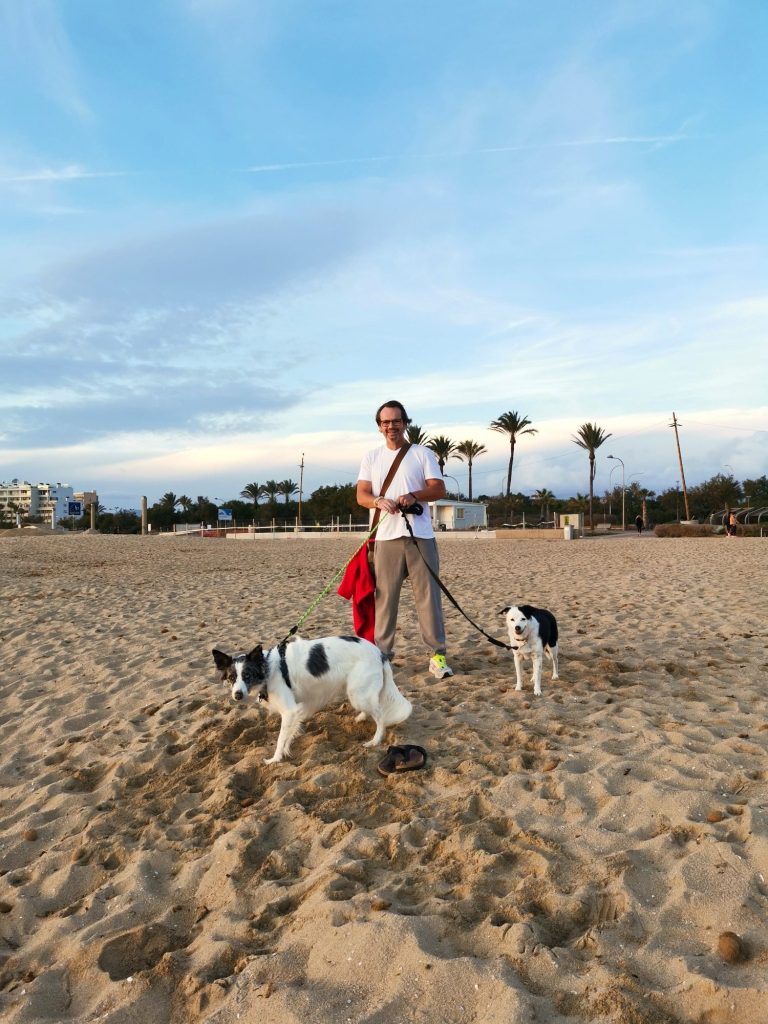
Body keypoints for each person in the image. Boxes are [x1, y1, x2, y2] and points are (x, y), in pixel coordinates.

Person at [357, 400, 453, 679]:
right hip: (385, 538)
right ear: (379, 426)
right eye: (385, 422)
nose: (391, 426)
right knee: (384, 599)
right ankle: (382, 657)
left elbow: (438, 488)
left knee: (428, 598)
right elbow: (361, 494)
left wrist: (413, 496)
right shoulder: (371, 457)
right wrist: (377, 501)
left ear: (405, 423)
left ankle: (437, 656)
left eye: (396, 421)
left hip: (420, 537)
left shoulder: (422, 454)